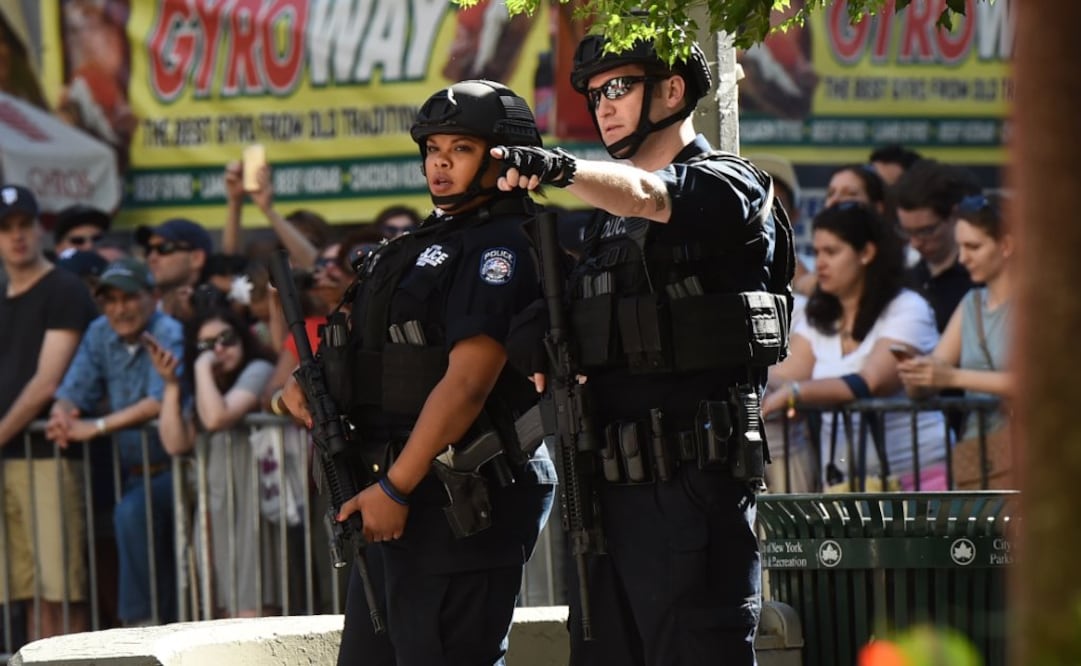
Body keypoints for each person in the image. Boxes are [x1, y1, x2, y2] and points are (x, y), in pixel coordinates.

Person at [491, 30, 794, 665]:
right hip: (605, 492)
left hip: (691, 491)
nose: (603, 105)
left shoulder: (732, 186)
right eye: (596, 93)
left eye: (619, 87)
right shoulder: (607, 224)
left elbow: (654, 196)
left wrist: (562, 167)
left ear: (673, 91)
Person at [281, 79, 556, 665]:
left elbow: (467, 383)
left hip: (457, 499)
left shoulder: (503, 246)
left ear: (500, 156)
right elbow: (362, 350)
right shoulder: (416, 245)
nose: (441, 164)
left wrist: (394, 487)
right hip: (394, 498)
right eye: (433, 150)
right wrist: (299, 390)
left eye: (460, 149)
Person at [762, 203, 946, 490]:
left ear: (867, 253)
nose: (819, 262)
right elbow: (787, 375)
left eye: (832, 252)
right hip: (845, 486)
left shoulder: (907, 308)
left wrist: (796, 394)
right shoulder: (821, 316)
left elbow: (871, 381)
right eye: (818, 251)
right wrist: (748, 375)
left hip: (917, 483)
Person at [47, 257, 185, 626]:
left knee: (130, 516)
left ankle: (141, 629)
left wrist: (97, 426)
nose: (119, 309)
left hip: (182, 467)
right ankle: (149, 631)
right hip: (134, 473)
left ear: (152, 297)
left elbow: (158, 400)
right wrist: (63, 414)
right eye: (110, 300)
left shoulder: (167, 329)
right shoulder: (99, 332)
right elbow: (73, 389)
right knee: (131, 525)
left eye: (128, 298)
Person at [0, 185, 97, 639]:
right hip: (9, 459)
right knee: (23, 594)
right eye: (5, 228)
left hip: (47, 458)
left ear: (39, 228)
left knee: (61, 591)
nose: (16, 237)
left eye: (24, 225)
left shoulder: (63, 288)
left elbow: (45, 384)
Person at [150, 306, 277, 617]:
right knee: (216, 618)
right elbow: (175, 443)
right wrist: (170, 386)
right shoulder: (206, 387)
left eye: (226, 338)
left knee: (253, 616)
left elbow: (218, 416)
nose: (219, 349)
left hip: (252, 509)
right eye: (206, 345)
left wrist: (202, 364)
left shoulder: (258, 369)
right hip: (216, 512)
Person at [898, 194, 1013, 431]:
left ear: (1006, 246)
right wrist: (918, 374)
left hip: (1029, 451)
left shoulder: (1038, 306)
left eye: (973, 247)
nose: (963, 258)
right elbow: (937, 370)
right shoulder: (971, 303)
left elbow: (1042, 383)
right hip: (977, 453)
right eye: (960, 247)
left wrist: (951, 377)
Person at [893, 159, 982, 332]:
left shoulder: (979, 279)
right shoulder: (904, 279)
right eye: (907, 231)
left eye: (926, 231)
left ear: (954, 215)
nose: (915, 243)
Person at [135, 218, 214, 321]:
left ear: (197, 258)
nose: (151, 258)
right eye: (148, 250)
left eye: (164, 248)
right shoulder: (140, 316)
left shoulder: (217, 313)